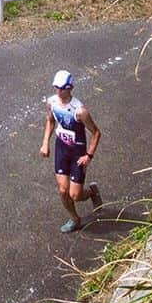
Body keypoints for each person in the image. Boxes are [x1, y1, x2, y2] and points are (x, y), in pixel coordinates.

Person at [40, 69, 102, 233]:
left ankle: (91, 192)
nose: (59, 91)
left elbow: (96, 133)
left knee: (76, 195)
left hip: (77, 154)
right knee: (62, 190)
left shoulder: (80, 111)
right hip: (62, 149)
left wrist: (89, 155)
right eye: (56, 88)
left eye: (62, 88)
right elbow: (50, 121)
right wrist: (45, 143)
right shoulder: (52, 102)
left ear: (70, 88)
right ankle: (75, 219)